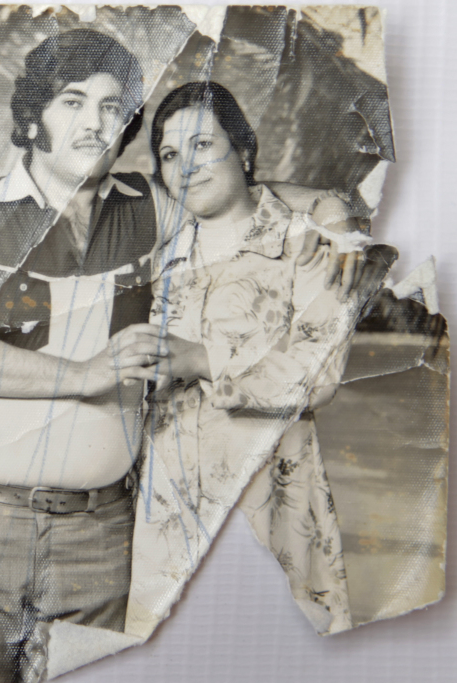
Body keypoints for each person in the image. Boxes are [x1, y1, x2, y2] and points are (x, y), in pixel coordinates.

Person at [0, 32, 361, 683]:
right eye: (73, 101)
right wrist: (77, 376)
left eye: (113, 107)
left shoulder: (150, 207)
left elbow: (243, 197)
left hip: (105, 536)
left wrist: (330, 209)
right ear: (32, 117)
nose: (93, 122)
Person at [126, 82, 382, 641]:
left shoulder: (309, 240)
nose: (185, 166)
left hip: (271, 502)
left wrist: (201, 358)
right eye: (170, 154)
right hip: (169, 508)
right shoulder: (161, 253)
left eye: (201, 145)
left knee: (278, 670)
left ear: (244, 152)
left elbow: (320, 371)